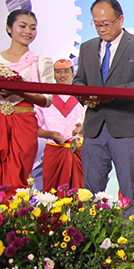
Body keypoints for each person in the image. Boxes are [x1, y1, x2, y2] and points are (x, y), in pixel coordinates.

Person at [73, 0, 134, 228]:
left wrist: (113, 94)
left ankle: (132, 243)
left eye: (106, 23)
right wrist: (84, 95)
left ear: (120, 19)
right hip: (94, 126)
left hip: (127, 125)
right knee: (90, 192)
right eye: (96, 24)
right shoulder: (87, 47)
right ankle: (89, 240)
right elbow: (78, 81)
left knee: (130, 190)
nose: (102, 29)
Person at [0, 10, 54, 191]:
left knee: (18, 175)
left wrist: (20, 91)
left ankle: (14, 209)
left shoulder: (41, 62)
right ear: (9, 28)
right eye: (22, 26)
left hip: (24, 122)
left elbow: (47, 100)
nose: (28, 32)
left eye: (32, 28)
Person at [35, 58, 84, 193]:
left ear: (73, 75)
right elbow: (33, 127)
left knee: (79, 192)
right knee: (51, 191)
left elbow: (93, 125)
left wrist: (82, 129)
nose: (62, 75)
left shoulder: (82, 98)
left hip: (77, 150)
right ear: (53, 75)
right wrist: (50, 134)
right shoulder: (45, 99)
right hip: (54, 151)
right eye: (58, 72)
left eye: (66, 71)